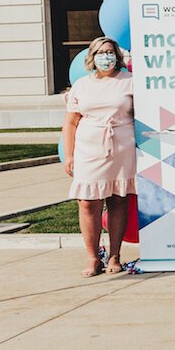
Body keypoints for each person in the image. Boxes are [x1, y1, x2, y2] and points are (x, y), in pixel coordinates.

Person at [62, 36, 137, 278]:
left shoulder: (130, 82)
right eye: (101, 52)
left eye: (110, 52)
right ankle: (93, 257)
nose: (106, 56)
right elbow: (71, 122)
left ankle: (115, 255)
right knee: (87, 202)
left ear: (117, 55)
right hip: (89, 150)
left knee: (118, 199)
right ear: (92, 58)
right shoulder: (82, 86)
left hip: (122, 148)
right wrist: (70, 154)